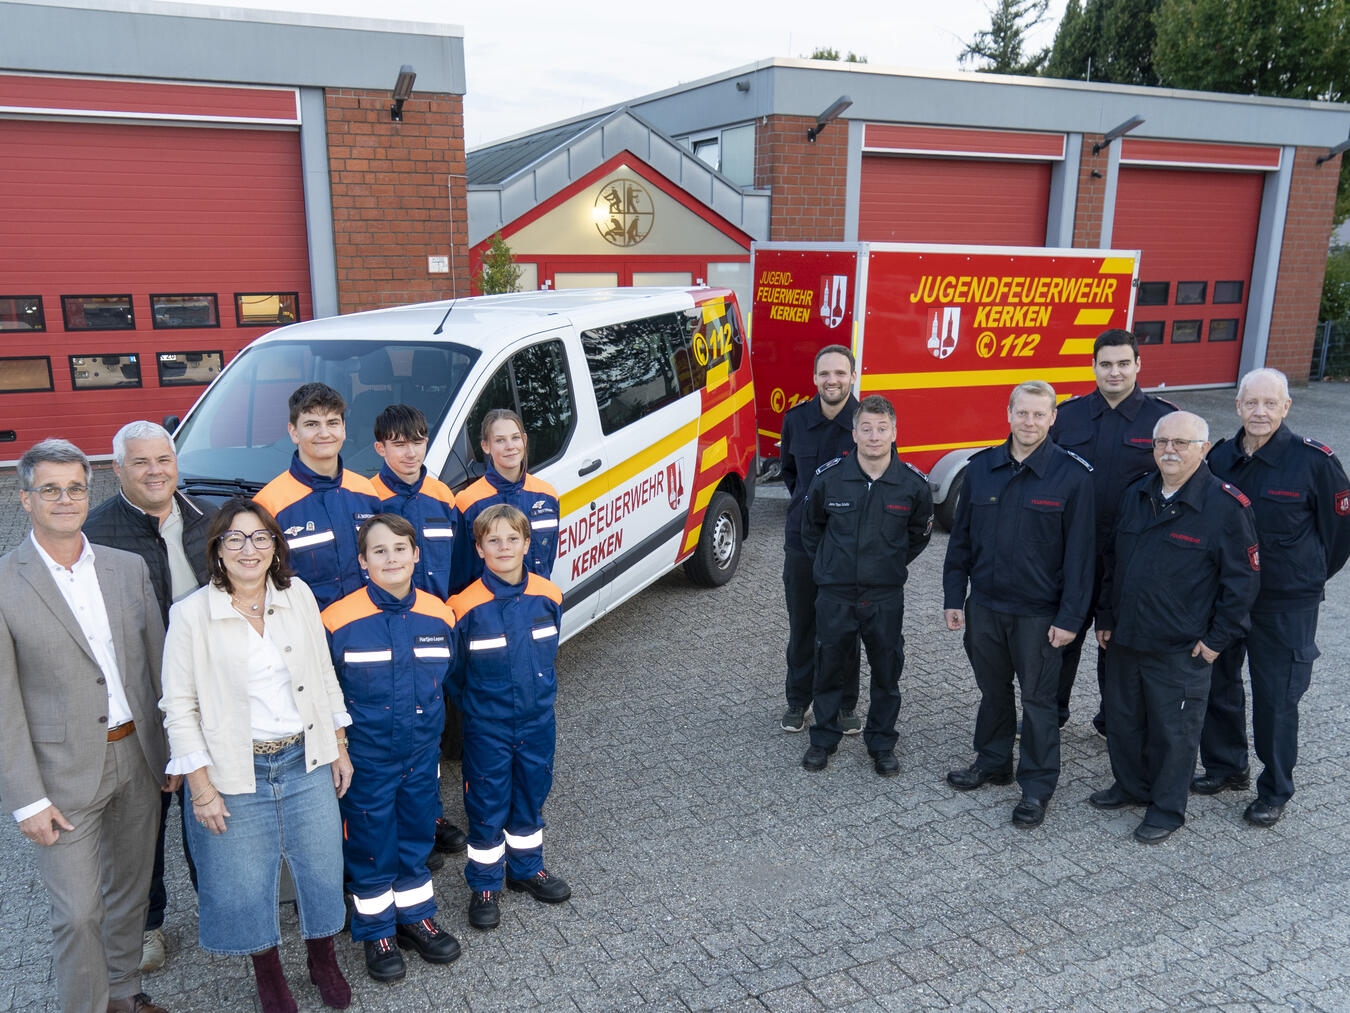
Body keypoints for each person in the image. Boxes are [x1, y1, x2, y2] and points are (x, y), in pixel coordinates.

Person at [159, 498, 353, 1013]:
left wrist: (339, 744)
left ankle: (322, 957)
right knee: (246, 881)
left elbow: (323, 674)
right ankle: (268, 973)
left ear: (275, 547)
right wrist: (200, 788)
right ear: (218, 550)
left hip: (303, 758)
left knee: (320, 866)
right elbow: (178, 708)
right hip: (233, 772)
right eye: (236, 539)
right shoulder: (191, 614)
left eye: (261, 538)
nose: (250, 549)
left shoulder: (299, 595)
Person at [0, 438, 173, 1013]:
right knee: (77, 913)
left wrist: (170, 753)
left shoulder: (125, 569)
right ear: (24, 499)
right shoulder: (5, 584)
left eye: (75, 487)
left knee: (129, 895)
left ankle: (123, 994)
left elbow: (156, 668)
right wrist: (26, 800)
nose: (65, 499)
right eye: (50, 489)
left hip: (138, 757)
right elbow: (3, 703)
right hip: (62, 776)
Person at [1090, 412, 1261, 844]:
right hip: (1127, 637)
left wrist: (1216, 640)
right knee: (1125, 722)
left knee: (1174, 733)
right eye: (1163, 441)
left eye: (1182, 443)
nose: (1170, 450)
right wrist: (1106, 617)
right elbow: (1113, 563)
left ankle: (1167, 809)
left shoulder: (1225, 506)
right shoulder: (1138, 494)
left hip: (1182, 647)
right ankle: (1131, 786)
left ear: (1204, 450)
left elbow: (1242, 582)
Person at [84, 420, 216, 974]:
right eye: (140, 462)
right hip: (142, 700)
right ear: (116, 470)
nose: (155, 470)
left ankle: (219, 906)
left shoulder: (210, 521)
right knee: (146, 819)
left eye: (163, 459)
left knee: (211, 808)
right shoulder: (96, 535)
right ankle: (147, 926)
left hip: (210, 695)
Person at [1194, 368, 1350, 827]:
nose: (1259, 412)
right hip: (1226, 599)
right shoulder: (1220, 458)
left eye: (1270, 403)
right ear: (1237, 405)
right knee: (1219, 682)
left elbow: (1340, 534)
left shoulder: (1315, 462)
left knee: (1277, 698)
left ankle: (1275, 789)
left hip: (1285, 605)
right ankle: (1226, 767)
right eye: (1251, 403)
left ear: (1286, 407)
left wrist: (1307, 576)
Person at [942, 381, 1094, 829]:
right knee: (993, 691)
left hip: (1040, 615)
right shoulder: (982, 468)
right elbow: (961, 541)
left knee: (1038, 701)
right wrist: (955, 597)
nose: (1029, 422)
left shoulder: (1073, 476)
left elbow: (1081, 559)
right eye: (1022, 413)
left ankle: (1036, 787)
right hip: (986, 607)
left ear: (1052, 419)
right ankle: (992, 762)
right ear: (1008, 414)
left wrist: (1070, 619)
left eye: (1039, 414)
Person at [322, 515, 462, 981]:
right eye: (379, 551)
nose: (391, 559)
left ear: (416, 554)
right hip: (366, 760)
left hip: (421, 755)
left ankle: (415, 918)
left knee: (418, 835)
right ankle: (378, 930)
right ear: (362, 561)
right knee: (370, 845)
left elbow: (448, 678)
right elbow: (323, 693)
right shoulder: (337, 620)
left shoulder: (440, 615)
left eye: (400, 548)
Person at [449, 504, 571, 931]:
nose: (504, 547)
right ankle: (484, 884)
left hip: (538, 720)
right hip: (488, 725)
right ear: (479, 548)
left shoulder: (548, 595)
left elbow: (550, 654)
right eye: (493, 541)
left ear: (526, 544)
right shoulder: (463, 608)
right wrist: (480, 706)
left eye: (512, 539)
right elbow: (453, 672)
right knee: (486, 800)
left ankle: (526, 869)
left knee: (532, 792)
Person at [1049, 330, 1176, 733]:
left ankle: (1113, 720)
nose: (1115, 372)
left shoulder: (1163, 420)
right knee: (1061, 639)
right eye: (1106, 364)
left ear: (1138, 365)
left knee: (1117, 645)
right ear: (1093, 367)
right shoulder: (1067, 416)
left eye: (1124, 363)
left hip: (1130, 558)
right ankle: (1050, 714)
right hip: (1071, 553)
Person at [799, 395, 933, 775]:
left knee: (887, 673)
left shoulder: (912, 485)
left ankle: (882, 743)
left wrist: (886, 564)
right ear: (854, 432)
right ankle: (823, 740)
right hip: (836, 594)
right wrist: (833, 566)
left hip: (884, 597)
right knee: (828, 669)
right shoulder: (830, 478)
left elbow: (918, 535)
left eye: (882, 428)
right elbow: (812, 531)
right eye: (867, 428)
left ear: (894, 432)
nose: (874, 436)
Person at [369, 404, 469, 857]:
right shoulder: (368, 499)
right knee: (401, 730)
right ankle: (407, 828)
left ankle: (428, 815)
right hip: (391, 633)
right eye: (398, 443)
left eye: (417, 441)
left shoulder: (442, 497)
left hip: (435, 629)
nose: (409, 452)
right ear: (380, 447)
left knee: (431, 726)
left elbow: (462, 569)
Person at [779, 344, 863, 736]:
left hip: (849, 546)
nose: (833, 380)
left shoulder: (868, 424)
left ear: (852, 376)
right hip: (802, 543)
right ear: (814, 378)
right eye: (825, 373)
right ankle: (799, 700)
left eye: (840, 373)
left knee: (845, 627)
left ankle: (846, 704)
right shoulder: (795, 420)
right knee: (803, 625)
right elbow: (791, 474)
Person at [255, 382, 380, 610]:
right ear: (294, 432)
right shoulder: (269, 505)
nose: (324, 433)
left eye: (332, 423)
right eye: (312, 424)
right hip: (309, 635)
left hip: (367, 630)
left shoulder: (366, 492)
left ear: (343, 428)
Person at [454, 409, 560, 589]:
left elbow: (548, 559)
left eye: (515, 438)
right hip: (489, 608)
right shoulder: (468, 502)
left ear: (524, 440)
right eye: (500, 440)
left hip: (536, 602)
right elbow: (461, 571)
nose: (510, 446)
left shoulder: (547, 495)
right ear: (486, 446)